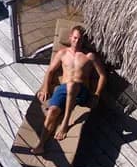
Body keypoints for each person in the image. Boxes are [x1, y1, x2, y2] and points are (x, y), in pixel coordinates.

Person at [32, 26, 107, 154]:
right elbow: (50, 71)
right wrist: (45, 88)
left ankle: (65, 123)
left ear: (83, 40)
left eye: (80, 39)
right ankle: (40, 145)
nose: (77, 41)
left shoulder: (89, 56)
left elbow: (103, 76)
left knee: (72, 85)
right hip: (63, 89)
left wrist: (96, 95)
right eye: (75, 38)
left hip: (81, 92)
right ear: (70, 37)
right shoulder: (62, 53)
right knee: (52, 111)